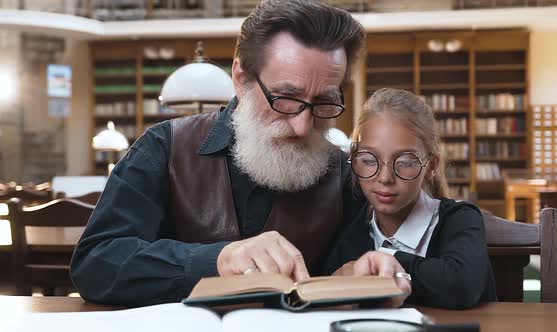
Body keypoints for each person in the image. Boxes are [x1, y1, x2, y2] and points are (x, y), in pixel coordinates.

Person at [70, 0, 410, 306]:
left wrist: (362, 279)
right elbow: (95, 263)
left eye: (324, 102)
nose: (302, 127)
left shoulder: (345, 177)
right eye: (285, 98)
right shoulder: (162, 148)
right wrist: (217, 260)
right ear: (241, 78)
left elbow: (347, 275)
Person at [338, 88, 496, 309]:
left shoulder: (460, 219)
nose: (385, 178)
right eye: (369, 160)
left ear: (430, 166)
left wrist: (384, 260)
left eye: (405, 161)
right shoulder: (351, 228)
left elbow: (460, 285)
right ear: (354, 160)